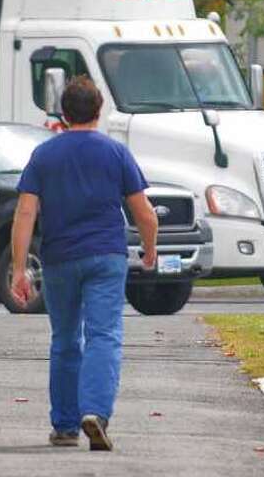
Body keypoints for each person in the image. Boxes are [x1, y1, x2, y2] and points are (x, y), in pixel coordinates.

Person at [11, 75, 158, 450]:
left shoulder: (44, 155)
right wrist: (150, 249)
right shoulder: (116, 153)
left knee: (64, 339)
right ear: (100, 109)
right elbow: (144, 212)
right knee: (103, 335)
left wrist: (18, 269)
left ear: (63, 113)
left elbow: (25, 213)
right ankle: (96, 412)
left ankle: (64, 425)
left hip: (59, 259)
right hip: (107, 256)